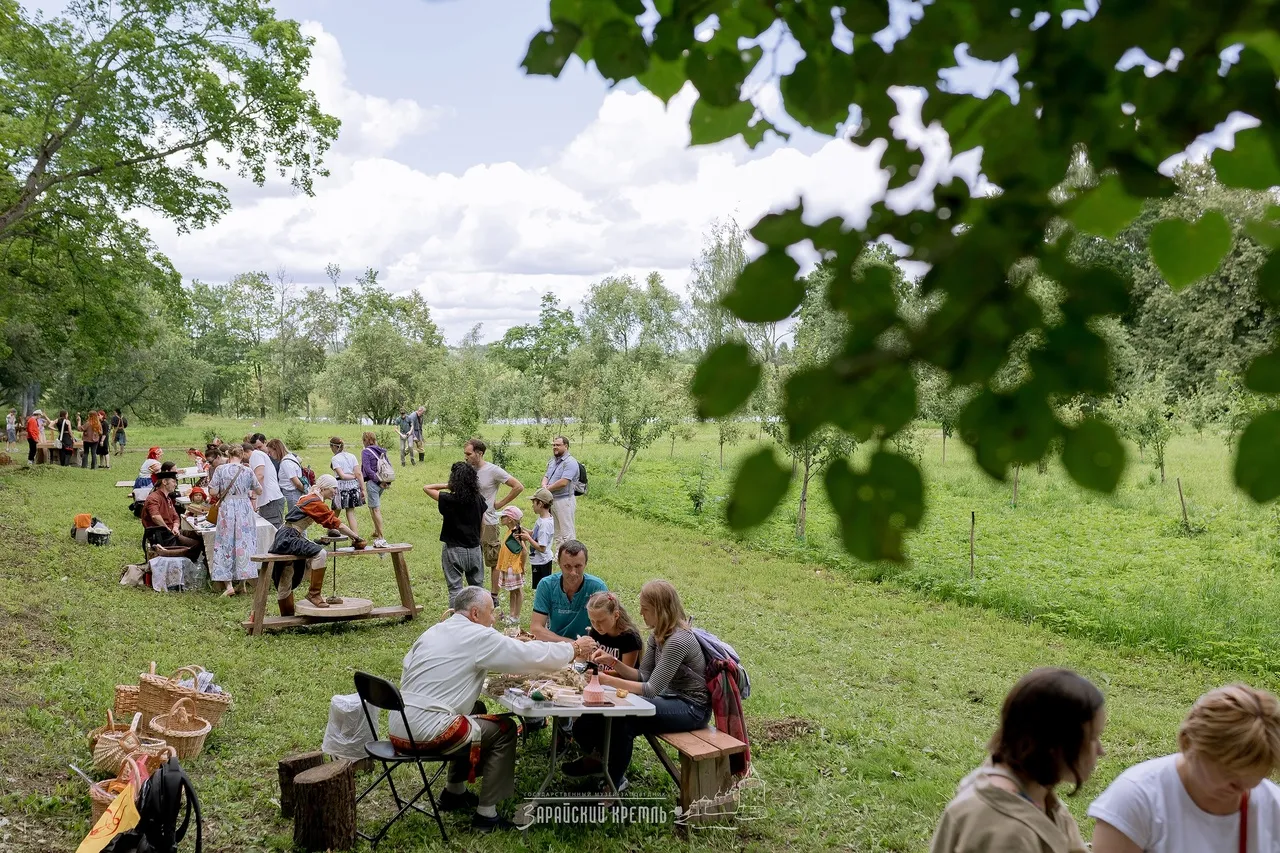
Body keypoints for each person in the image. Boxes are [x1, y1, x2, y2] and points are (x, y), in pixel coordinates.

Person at [389, 585, 596, 832]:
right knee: (504, 728)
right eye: (491, 611)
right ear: (475, 613)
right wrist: (572, 649)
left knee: (476, 707)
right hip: (426, 731)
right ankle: (487, 816)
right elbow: (525, 655)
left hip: (399, 726)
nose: (494, 617)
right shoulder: (478, 636)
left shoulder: (434, 631)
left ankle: (454, 791)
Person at [928, 667, 1106, 853]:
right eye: (1093, 738)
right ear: (1054, 745)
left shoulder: (1033, 792)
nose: (1101, 750)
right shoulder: (1008, 833)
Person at [1089, 683, 1280, 853]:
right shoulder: (1136, 800)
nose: (1243, 789)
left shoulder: (1273, 806)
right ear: (1188, 744)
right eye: (1229, 773)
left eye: (1256, 775)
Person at [567, 580, 711, 792]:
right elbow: (642, 675)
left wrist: (606, 680)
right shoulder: (657, 634)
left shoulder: (678, 641)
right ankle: (599, 761)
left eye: (645, 609)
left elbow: (652, 688)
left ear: (660, 610)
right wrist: (613, 662)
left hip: (692, 708)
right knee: (610, 712)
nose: (641, 614)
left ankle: (613, 780)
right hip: (670, 698)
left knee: (624, 720)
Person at [265, 474, 366, 614]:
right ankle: (314, 594)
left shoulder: (311, 497)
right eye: (333, 489)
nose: (335, 492)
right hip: (288, 537)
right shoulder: (314, 501)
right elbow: (335, 523)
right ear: (324, 488)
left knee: (286, 577)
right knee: (320, 554)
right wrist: (356, 537)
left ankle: (288, 620)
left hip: (286, 536)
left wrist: (318, 541)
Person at [463, 437, 523, 605]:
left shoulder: (493, 470)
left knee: (492, 559)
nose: (466, 457)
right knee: (473, 557)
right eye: (465, 454)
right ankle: (475, 593)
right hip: (469, 521)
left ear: (479, 453)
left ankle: (494, 595)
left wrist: (500, 504)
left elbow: (518, 486)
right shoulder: (467, 470)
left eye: (468, 454)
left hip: (488, 521)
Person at [424, 462, 487, 607]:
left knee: (455, 590)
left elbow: (427, 488)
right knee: (478, 589)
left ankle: (456, 622)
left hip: (453, 549)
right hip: (474, 548)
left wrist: (449, 485)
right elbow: (483, 523)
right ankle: (479, 621)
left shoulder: (448, 499)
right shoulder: (479, 499)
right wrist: (479, 541)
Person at [208, 444, 262, 597]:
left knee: (226, 543)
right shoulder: (247, 470)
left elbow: (213, 491)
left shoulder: (220, 470)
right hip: (244, 507)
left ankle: (229, 585)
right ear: (242, 455)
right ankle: (243, 583)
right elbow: (259, 490)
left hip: (227, 508)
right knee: (243, 542)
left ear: (228, 455)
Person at [529, 540, 607, 642]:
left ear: (585, 564)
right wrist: (573, 645)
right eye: (567, 566)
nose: (573, 573)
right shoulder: (546, 585)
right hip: (558, 647)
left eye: (578, 566)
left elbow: (609, 626)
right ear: (559, 564)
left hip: (589, 649)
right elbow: (536, 629)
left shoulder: (597, 587)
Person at [142, 471, 202, 560]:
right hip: (163, 535)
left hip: (172, 531)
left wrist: (175, 527)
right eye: (173, 481)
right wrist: (168, 529)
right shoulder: (154, 498)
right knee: (196, 544)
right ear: (164, 482)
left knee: (199, 535)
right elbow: (155, 517)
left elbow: (176, 517)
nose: (175, 484)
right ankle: (191, 565)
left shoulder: (168, 498)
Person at [541, 435, 581, 559]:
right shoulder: (552, 461)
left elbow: (564, 482)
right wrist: (544, 485)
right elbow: (546, 475)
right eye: (553, 445)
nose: (555, 447)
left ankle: (571, 556)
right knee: (557, 531)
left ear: (566, 446)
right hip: (553, 499)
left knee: (567, 531)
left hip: (564, 500)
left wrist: (547, 489)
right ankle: (559, 556)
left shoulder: (571, 462)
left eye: (558, 445)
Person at [585, 591, 643, 670]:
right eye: (592, 621)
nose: (596, 626)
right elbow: (590, 661)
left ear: (616, 615)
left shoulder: (630, 638)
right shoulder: (595, 632)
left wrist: (599, 674)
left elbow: (627, 673)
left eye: (601, 621)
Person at [494, 505, 527, 626]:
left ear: (510, 519)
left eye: (503, 517)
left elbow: (524, 551)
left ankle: (516, 615)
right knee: (512, 591)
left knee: (517, 591)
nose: (501, 519)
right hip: (508, 566)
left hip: (514, 567)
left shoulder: (515, 533)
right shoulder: (510, 531)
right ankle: (512, 614)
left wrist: (522, 567)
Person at [360, 431, 391, 548]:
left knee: (375, 509)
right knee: (372, 508)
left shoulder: (365, 452)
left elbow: (367, 470)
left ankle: (381, 536)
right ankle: (376, 531)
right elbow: (387, 465)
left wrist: (378, 481)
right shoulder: (381, 450)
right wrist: (385, 481)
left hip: (373, 483)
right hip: (382, 484)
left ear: (365, 440)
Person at [521, 488, 556, 590]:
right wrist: (524, 530)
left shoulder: (545, 525)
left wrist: (528, 538)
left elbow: (542, 548)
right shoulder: (542, 519)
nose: (532, 505)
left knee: (542, 589)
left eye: (533, 502)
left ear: (540, 504)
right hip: (538, 561)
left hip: (542, 563)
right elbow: (535, 534)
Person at [329, 436, 364, 536]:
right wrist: (362, 488)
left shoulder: (335, 458)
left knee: (335, 512)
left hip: (340, 487)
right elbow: (358, 473)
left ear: (334, 447)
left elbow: (342, 475)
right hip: (353, 486)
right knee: (350, 512)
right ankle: (355, 536)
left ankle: (330, 533)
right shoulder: (352, 456)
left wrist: (351, 476)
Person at [248, 433, 285, 528]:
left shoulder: (258, 455)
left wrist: (254, 496)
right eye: (255, 448)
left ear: (265, 442)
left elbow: (259, 475)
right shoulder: (262, 455)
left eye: (259, 447)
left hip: (272, 499)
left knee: (273, 530)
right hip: (271, 498)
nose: (258, 450)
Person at [273, 439, 307, 515]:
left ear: (276, 450)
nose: (270, 454)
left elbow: (296, 482)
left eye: (270, 451)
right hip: (292, 493)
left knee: (294, 518)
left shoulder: (286, 463)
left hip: (292, 493)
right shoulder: (291, 456)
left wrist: (305, 490)